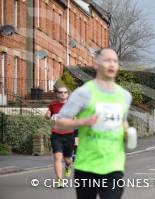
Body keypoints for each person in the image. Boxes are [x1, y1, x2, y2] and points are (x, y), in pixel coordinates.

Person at [56, 48, 132, 199]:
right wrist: (83, 121)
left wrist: (128, 133)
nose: (112, 64)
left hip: (113, 166)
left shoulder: (124, 96)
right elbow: (59, 123)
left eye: (115, 61)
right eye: (107, 60)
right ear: (96, 64)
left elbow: (123, 122)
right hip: (87, 166)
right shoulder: (83, 93)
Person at [44, 86, 74, 188]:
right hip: (56, 135)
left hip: (69, 135)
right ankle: (59, 180)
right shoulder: (53, 105)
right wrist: (48, 115)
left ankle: (68, 166)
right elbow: (48, 114)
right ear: (57, 94)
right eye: (60, 92)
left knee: (67, 159)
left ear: (67, 94)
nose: (63, 94)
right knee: (57, 157)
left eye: (65, 92)